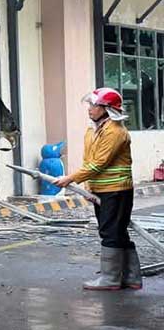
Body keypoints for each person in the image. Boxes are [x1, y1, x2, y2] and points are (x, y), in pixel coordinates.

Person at [53, 88, 140, 291]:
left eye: (94, 105)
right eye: (90, 105)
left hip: (116, 190)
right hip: (103, 189)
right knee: (117, 232)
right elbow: (88, 161)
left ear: (107, 109)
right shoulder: (92, 130)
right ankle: (131, 278)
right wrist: (89, 188)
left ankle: (110, 279)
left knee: (110, 232)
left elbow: (98, 164)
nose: (89, 109)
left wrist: (69, 179)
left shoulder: (115, 132)